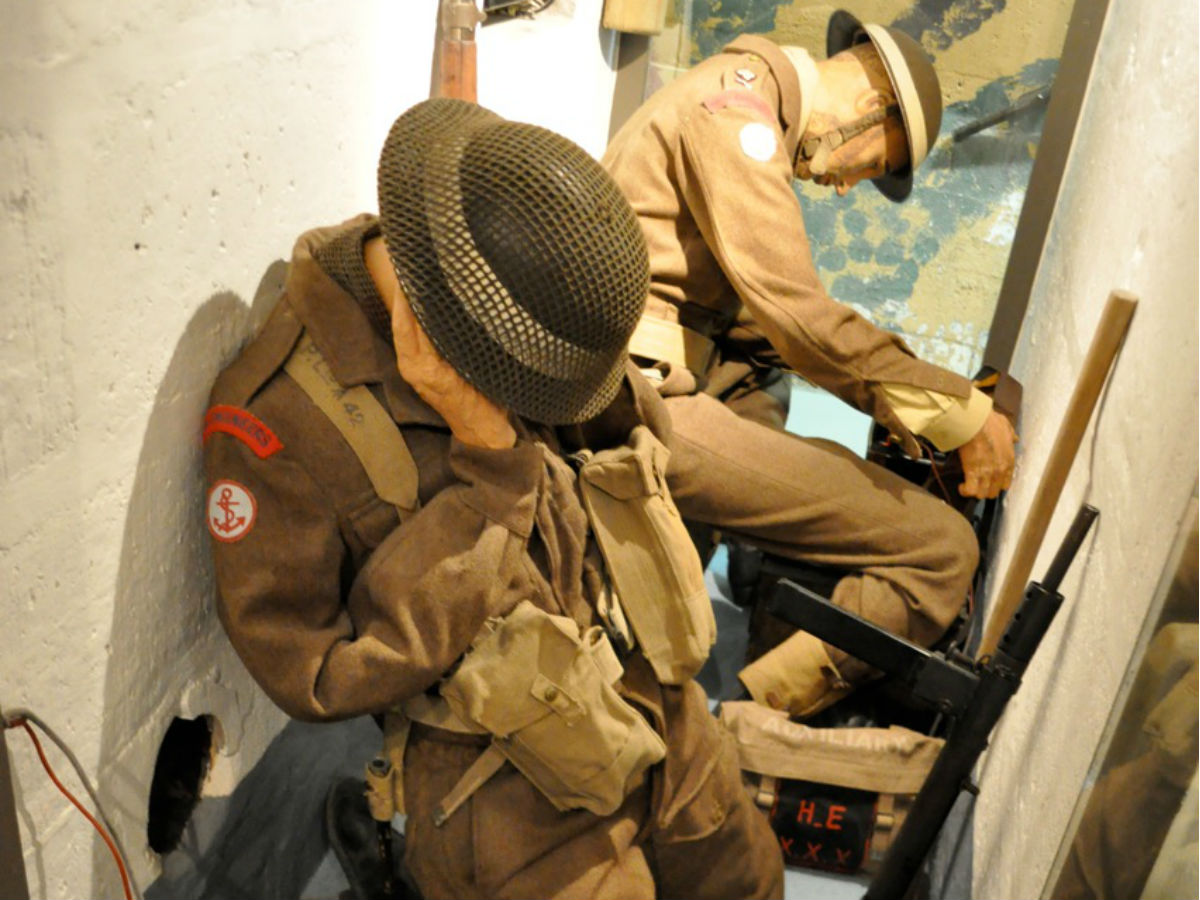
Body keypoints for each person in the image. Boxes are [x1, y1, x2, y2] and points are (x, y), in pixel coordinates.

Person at [203, 98, 782, 900]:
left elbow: (616, 435)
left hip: (641, 674)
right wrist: (486, 460)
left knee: (748, 883)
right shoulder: (281, 419)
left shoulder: (508, 280)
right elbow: (317, 674)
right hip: (502, 779)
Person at [602, 9, 1019, 719]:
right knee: (940, 548)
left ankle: (677, 680)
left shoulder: (739, 99)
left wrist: (915, 407)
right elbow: (797, 315)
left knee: (790, 409)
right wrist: (962, 414)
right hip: (637, 394)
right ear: (870, 107)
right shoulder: (737, 112)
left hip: (656, 371)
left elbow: (763, 327)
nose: (850, 185)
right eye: (877, 163)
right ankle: (751, 728)